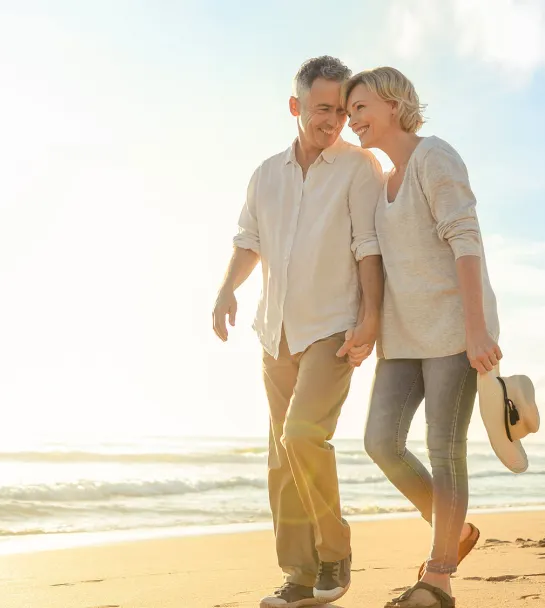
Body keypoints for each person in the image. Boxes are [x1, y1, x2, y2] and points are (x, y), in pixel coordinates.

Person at [211, 55, 385, 607]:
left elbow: (368, 247)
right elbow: (248, 239)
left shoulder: (360, 168)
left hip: (333, 328)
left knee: (302, 436)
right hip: (275, 332)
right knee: (281, 460)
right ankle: (300, 576)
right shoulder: (266, 174)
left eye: (339, 111)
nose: (332, 121)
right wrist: (226, 288)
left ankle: (336, 550)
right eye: (321, 109)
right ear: (296, 107)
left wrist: (371, 318)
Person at [343, 66, 502, 608]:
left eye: (361, 107)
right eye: (349, 111)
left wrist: (477, 329)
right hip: (402, 338)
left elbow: (466, 241)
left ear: (393, 103)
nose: (352, 120)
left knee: (444, 449)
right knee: (380, 443)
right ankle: (452, 530)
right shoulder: (382, 180)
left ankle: (438, 578)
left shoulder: (435, 156)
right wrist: (368, 325)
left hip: (454, 334)